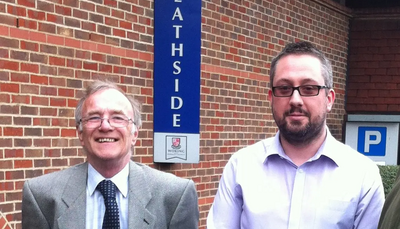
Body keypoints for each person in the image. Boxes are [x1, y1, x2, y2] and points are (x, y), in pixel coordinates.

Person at [207, 41, 384, 229]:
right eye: (284, 89)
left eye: (309, 89)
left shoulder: (362, 175)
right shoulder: (241, 167)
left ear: (329, 99)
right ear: (271, 97)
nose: (295, 100)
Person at [22, 80, 199, 229]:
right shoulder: (41, 196)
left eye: (118, 118)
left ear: (134, 134)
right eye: (94, 117)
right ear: (80, 133)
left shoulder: (175, 195)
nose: (105, 126)